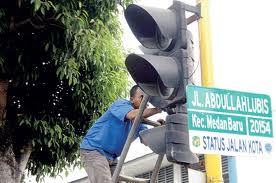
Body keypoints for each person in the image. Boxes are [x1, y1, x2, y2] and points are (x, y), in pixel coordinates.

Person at [80, 85, 163, 183]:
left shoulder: (140, 122)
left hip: (112, 157)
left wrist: (158, 128)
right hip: (94, 150)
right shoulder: (121, 104)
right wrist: (157, 109)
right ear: (132, 99)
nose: (145, 101)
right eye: (142, 97)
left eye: (147, 99)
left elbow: (146, 140)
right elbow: (131, 115)